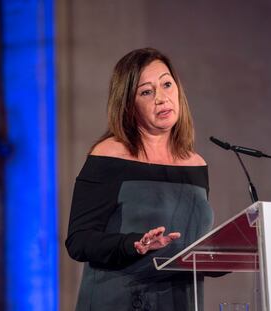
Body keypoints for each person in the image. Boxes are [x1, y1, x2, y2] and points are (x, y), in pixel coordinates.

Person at [65, 48, 214, 311]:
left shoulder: (196, 164)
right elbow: (79, 241)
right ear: (129, 105)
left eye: (167, 84)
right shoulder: (109, 156)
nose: (161, 98)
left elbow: (193, 245)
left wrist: (225, 253)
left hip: (181, 301)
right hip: (119, 300)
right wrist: (134, 244)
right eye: (147, 91)